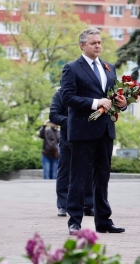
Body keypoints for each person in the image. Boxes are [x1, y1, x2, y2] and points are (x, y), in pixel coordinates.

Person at [60, 27, 127, 235]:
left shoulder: (109, 67)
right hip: (82, 132)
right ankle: (75, 221)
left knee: (103, 177)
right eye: (93, 43)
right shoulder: (72, 68)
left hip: (106, 130)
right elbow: (67, 98)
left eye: (99, 42)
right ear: (82, 45)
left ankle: (104, 221)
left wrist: (122, 104)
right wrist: (95, 102)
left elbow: (113, 97)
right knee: (78, 178)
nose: (98, 45)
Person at [49, 90, 94, 217]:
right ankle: (63, 205)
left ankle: (88, 205)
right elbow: (53, 115)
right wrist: (73, 121)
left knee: (88, 172)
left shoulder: (87, 92)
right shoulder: (60, 94)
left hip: (87, 138)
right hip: (67, 139)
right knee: (64, 172)